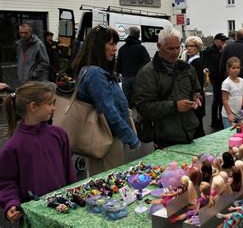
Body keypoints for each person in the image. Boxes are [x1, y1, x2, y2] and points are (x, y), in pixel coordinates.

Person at [0, 81, 76, 223]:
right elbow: (6, 182)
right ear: (34, 106)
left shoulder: (59, 135)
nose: (54, 108)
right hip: (34, 216)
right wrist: (11, 203)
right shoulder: (13, 146)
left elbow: (69, 170)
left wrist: (74, 195)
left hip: (64, 209)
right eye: (50, 103)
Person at [72, 25, 140, 176]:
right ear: (98, 46)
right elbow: (109, 111)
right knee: (108, 184)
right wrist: (131, 138)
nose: (115, 48)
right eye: (111, 44)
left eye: (115, 44)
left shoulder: (92, 70)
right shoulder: (95, 73)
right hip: (106, 138)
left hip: (104, 136)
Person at [134, 27, 201, 148]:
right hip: (164, 138)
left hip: (191, 132)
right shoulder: (147, 73)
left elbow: (195, 89)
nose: (175, 52)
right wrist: (175, 106)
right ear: (159, 46)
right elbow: (144, 107)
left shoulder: (186, 68)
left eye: (178, 47)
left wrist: (196, 96)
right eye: (170, 48)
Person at [115, 26, 150, 106]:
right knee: (138, 101)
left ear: (128, 34)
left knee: (126, 102)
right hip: (138, 78)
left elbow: (118, 65)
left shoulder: (122, 48)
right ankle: (136, 117)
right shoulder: (141, 48)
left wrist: (122, 72)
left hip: (126, 77)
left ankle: (128, 116)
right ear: (138, 35)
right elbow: (147, 63)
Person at [203, 33, 227, 129]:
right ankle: (215, 120)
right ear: (216, 41)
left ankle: (218, 119)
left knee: (218, 99)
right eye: (221, 41)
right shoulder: (213, 51)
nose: (223, 42)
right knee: (217, 100)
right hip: (216, 78)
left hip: (218, 77)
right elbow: (218, 63)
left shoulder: (217, 50)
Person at [185, 35, 206, 139]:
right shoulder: (191, 61)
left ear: (197, 48)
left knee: (197, 128)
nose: (188, 48)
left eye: (192, 46)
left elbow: (198, 83)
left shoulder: (196, 63)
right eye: (187, 46)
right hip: (195, 97)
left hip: (196, 97)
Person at [221, 57, 243, 128]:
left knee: (239, 135)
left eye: (238, 68)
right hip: (228, 115)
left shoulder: (242, 81)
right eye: (233, 68)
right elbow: (224, 99)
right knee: (229, 135)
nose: (236, 70)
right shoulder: (226, 83)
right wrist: (229, 114)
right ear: (228, 69)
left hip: (239, 115)